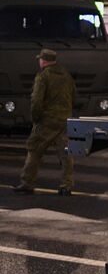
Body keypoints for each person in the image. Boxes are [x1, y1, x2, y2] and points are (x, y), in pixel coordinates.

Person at [14, 48, 75, 196]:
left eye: (40, 59)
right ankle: (66, 185)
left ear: (44, 60)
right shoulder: (66, 76)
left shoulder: (43, 76)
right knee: (65, 154)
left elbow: (36, 100)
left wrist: (36, 118)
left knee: (34, 149)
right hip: (64, 119)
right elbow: (73, 95)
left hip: (47, 120)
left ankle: (27, 183)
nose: (39, 61)